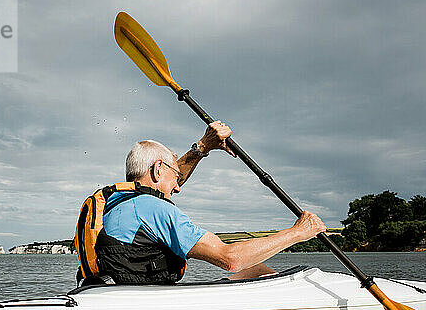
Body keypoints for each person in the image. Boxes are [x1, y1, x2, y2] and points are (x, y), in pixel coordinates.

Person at [88, 121, 326, 285]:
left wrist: (203, 147)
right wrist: (299, 232)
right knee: (253, 270)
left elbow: (165, 180)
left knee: (257, 270)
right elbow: (231, 259)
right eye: (175, 176)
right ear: (158, 169)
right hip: (151, 303)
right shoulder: (153, 208)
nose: (179, 186)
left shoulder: (118, 206)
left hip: (124, 294)